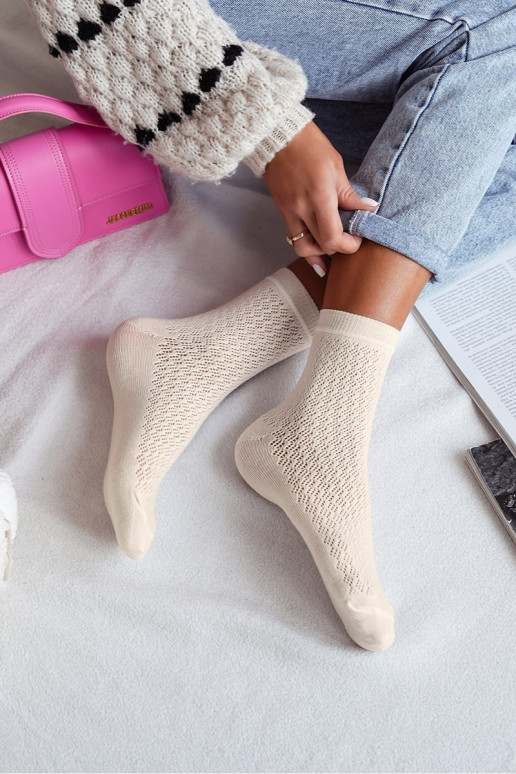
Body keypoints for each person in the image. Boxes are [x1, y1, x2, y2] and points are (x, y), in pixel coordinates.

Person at [25, 0, 516, 652]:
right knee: (498, 36)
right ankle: (328, 421)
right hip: (161, 27)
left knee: (489, 122)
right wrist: (270, 130)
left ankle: (209, 352)